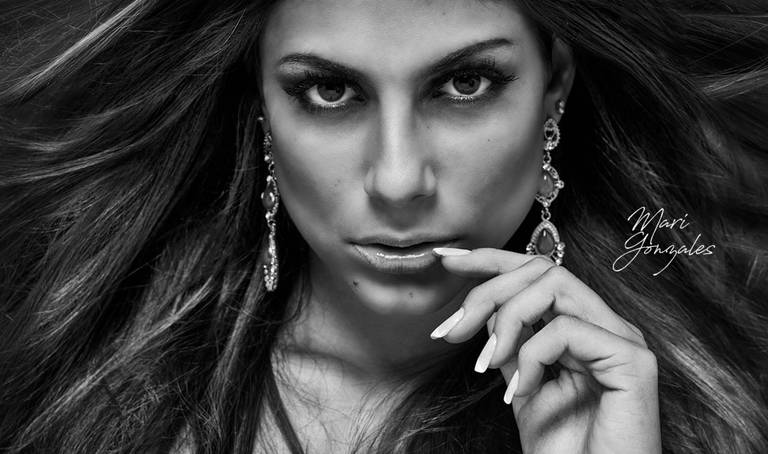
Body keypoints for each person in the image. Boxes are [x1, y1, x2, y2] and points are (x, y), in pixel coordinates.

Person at [0, 0, 766, 453]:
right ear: (261, 103)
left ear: (553, 85)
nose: (398, 180)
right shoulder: (83, 399)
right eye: (330, 91)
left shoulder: (691, 415)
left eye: (464, 83)